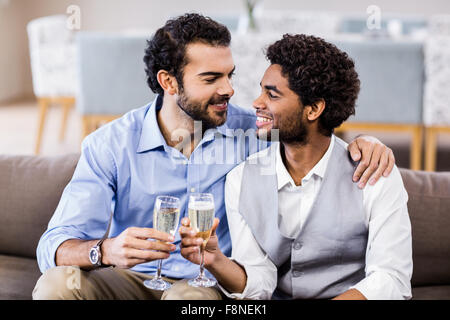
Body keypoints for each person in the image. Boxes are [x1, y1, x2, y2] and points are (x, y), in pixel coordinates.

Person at [33, 14, 395, 300]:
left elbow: (312, 136)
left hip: (206, 284)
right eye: (211, 79)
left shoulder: (255, 132)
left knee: (186, 297)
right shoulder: (110, 144)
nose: (229, 89)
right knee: (56, 285)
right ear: (169, 82)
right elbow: (56, 243)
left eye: (229, 75)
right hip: (132, 279)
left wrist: (363, 143)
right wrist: (106, 250)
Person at [180, 34, 412, 300]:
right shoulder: (241, 179)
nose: (257, 103)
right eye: (261, 90)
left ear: (313, 109)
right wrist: (216, 260)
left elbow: (390, 279)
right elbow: (260, 278)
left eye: (272, 94)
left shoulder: (374, 172)